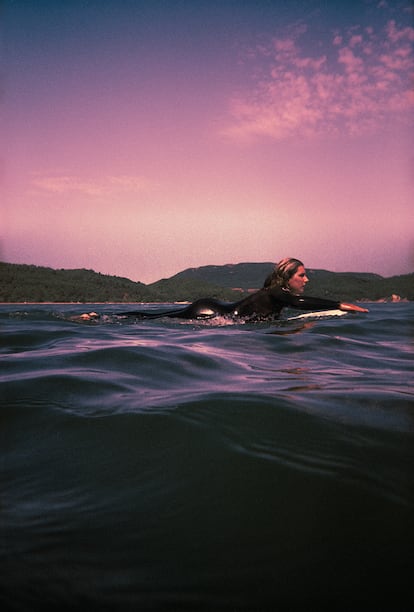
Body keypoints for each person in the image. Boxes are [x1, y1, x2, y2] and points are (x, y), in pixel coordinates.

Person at [113, 257, 368, 321]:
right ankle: (102, 317)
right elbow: (298, 304)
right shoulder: (278, 292)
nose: (306, 280)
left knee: (158, 318)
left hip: (214, 309)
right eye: (302, 275)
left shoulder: (275, 293)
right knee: (155, 319)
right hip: (211, 313)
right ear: (288, 278)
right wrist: (339, 304)